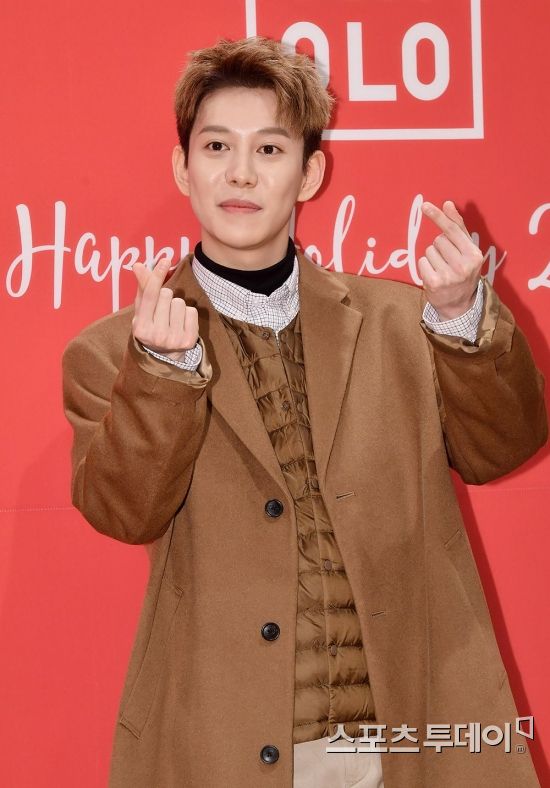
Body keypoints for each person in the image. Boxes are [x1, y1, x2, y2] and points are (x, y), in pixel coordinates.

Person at [61, 35, 547, 788]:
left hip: (414, 741)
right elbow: (125, 512)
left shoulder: (403, 323)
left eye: (270, 148)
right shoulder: (113, 352)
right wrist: (161, 373)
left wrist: (461, 319)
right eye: (216, 146)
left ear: (311, 172)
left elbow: (505, 447)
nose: (241, 173)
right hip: (223, 748)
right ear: (182, 167)